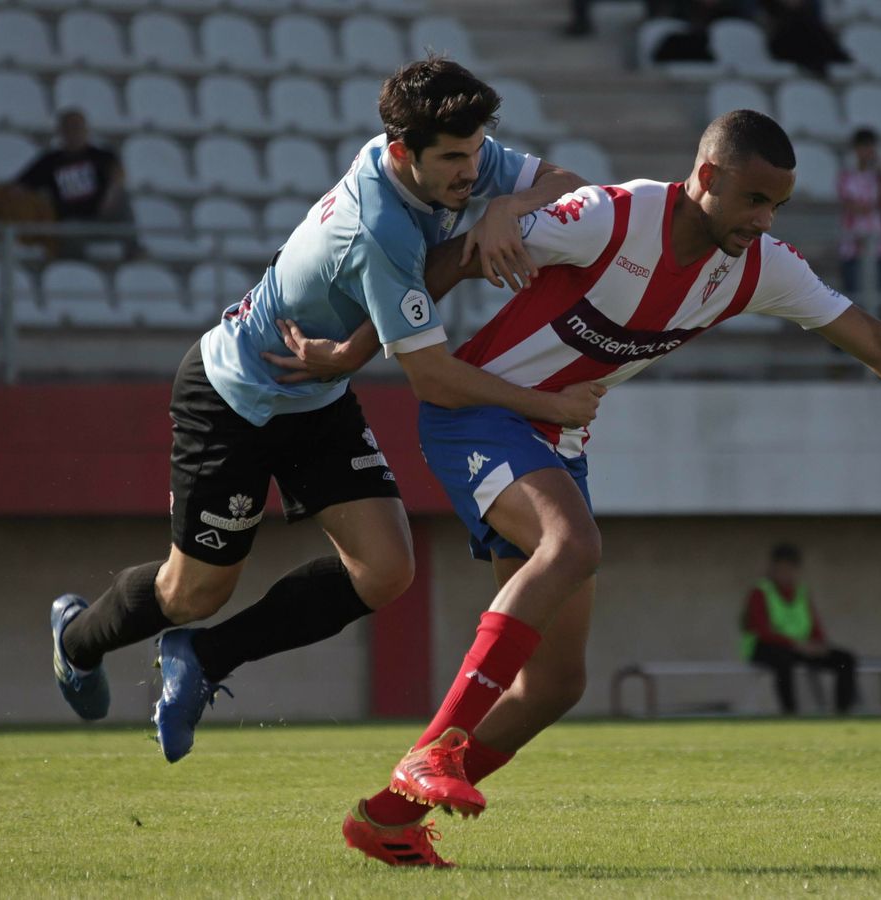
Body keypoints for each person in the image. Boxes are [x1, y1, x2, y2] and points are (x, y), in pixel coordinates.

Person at [275, 109, 881, 867]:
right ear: (705, 175)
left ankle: (385, 820)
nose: (764, 219)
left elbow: (874, 342)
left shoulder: (759, 268)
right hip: (478, 414)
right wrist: (353, 350)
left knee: (556, 684)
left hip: (560, 441)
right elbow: (450, 262)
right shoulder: (612, 216)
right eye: (753, 199)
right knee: (574, 545)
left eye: (778, 205)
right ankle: (432, 750)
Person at [47, 58, 595, 766]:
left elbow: (575, 186)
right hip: (234, 394)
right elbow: (431, 378)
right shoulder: (379, 226)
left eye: (478, 151)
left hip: (315, 393)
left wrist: (503, 208)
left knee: (386, 570)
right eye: (455, 158)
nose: (472, 168)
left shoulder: (452, 158)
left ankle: (204, 658)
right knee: (195, 589)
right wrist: (549, 405)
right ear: (403, 152)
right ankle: (76, 640)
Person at [740, 542, 857, 714]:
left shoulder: (801, 592)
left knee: (845, 660)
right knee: (783, 662)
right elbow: (762, 630)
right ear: (773, 569)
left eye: (790, 569)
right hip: (764, 648)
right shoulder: (761, 591)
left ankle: (842, 711)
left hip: (799, 648)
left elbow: (814, 624)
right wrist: (795, 644)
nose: (786, 574)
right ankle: (790, 712)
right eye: (781, 569)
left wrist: (819, 644)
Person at [15, 109, 137, 259]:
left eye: (78, 128)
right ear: (61, 132)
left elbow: (118, 175)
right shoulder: (49, 161)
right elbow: (21, 185)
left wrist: (112, 192)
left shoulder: (102, 156)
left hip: (102, 216)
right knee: (68, 231)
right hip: (70, 221)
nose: (74, 133)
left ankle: (134, 250)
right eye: (69, 128)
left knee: (123, 200)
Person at [837, 128, 881, 298]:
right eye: (864, 147)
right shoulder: (846, 176)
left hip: (879, 244)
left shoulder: (878, 177)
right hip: (852, 244)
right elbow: (852, 207)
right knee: (854, 298)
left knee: (880, 297)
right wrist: (874, 205)